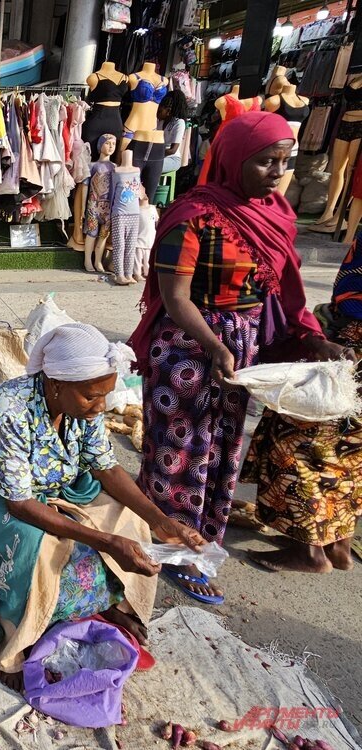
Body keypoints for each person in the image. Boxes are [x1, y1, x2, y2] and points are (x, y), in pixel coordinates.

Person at [129, 111, 347, 604]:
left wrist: (310, 338)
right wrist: (213, 344)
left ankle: (199, 535)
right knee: (179, 452)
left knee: (222, 447)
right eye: (266, 161)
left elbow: (283, 294)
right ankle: (177, 551)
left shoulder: (275, 214)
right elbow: (175, 296)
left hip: (239, 347)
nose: (276, 172)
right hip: (188, 348)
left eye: (284, 162)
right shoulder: (194, 216)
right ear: (233, 159)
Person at [0, 323, 204, 690]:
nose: (101, 405)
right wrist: (105, 542)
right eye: (92, 396)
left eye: (105, 394)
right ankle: (17, 636)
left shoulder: (84, 409)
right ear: (56, 383)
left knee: (128, 519)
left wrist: (162, 520)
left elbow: (106, 466)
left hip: (48, 484)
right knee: (30, 542)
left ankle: (111, 602)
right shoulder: (8, 410)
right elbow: (21, 503)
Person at [239, 234, 362, 573]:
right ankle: (338, 546)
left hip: (354, 342)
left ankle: (308, 551)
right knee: (349, 453)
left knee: (298, 442)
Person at [157, 89, 189, 175]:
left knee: (153, 166)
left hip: (172, 159)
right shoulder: (160, 122)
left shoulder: (179, 123)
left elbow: (172, 150)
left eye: (160, 111)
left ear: (168, 111)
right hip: (159, 156)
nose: (157, 113)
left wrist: (154, 154)